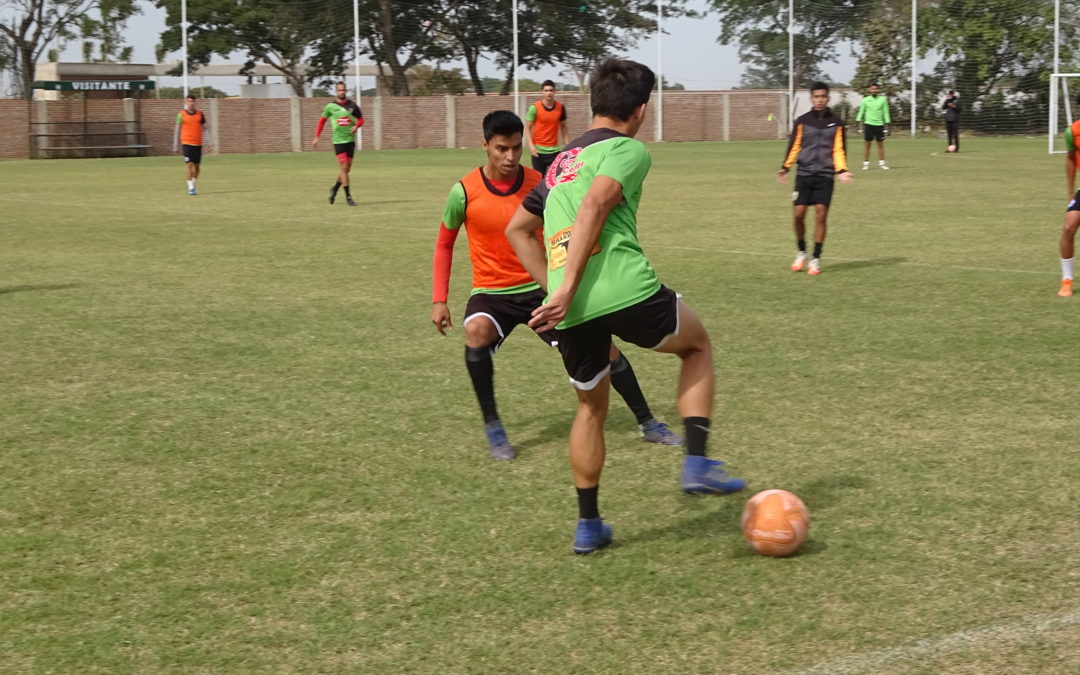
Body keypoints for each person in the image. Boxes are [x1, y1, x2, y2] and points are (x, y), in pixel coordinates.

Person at [505, 59, 745, 555]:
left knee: (591, 409)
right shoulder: (628, 149)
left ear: (593, 103)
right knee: (697, 345)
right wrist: (567, 285)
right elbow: (596, 203)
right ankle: (697, 462)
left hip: (568, 312)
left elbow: (517, 230)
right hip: (622, 290)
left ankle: (589, 526)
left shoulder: (559, 163)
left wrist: (555, 290)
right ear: (639, 111)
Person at [432, 110, 682, 460]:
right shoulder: (463, 191)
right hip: (493, 294)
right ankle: (493, 427)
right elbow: (444, 243)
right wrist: (439, 299)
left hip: (544, 285)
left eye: (517, 148)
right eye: (501, 148)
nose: (510, 157)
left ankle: (648, 422)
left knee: (604, 348)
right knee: (476, 332)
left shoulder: (543, 180)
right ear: (485, 145)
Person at [777, 82, 854, 276]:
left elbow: (838, 149)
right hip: (804, 174)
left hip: (825, 175)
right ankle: (801, 251)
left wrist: (842, 170)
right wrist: (786, 167)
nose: (819, 100)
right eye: (816, 96)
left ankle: (816, 258)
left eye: (823, 96)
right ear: (811, 98)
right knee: (798, 214)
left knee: (821, 214)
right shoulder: (802, 121)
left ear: (828, 98)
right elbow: (795, 146)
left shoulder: (836, 123)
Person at [311, 81, 363, 206]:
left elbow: (361, 119)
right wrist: (316, 137)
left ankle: (334, 189)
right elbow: (322, 121)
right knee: (344, 167)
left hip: (350, 141)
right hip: (338, 141)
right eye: (339, 90)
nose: (342, 92)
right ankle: (348, 197)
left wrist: (357, 126)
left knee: (346, 169)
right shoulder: (330, 107)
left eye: (343, 90)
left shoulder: (352, 106)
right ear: (336, 91)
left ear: (346, 90)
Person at [1057, 110, 1080, 297]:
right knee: (1068, 227)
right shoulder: (1073, 131)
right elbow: (1071, 158)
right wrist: (1071, 190)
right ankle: (1067, 280)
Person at [525, 80, 569, 177]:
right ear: (542, 91)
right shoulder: (534, 107)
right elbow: (527, 128)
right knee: (538, 180)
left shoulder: (560, 107)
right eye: (546, 90)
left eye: (551, 90)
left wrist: (568, 146)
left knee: (558, 178)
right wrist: (531, 147)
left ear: (554, 91)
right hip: (538, 151)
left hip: (554, 151)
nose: (548, 93)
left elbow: (564, 128)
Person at [173, 95, 211, 195]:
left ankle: (192, 183)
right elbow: (177, 130)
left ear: (195, 102)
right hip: (186, 143)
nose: (191, 103)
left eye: (193, 101)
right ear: (186, 102)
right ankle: (190, 188)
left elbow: (205, 128)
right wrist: (175, 146)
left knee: (197, 168)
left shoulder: (200, 114)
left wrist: (210, 142)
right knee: (189, 165)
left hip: (198, 144)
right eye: (189, 101)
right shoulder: (180, 114)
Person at [856, 83, 890, 170]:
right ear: (869, 90)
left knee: (880, 145)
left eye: (876, 89)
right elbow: (861, 111)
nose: (874, 90)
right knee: (868, 145)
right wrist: (858, 121)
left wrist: (888, 123)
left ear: (878, 90)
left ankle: (882, 164)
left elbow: (885, 112)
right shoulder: (865, 100)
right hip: (869, 124)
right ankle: (866, 164)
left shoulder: (883, 99)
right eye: (872, 89)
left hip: (879, 125)